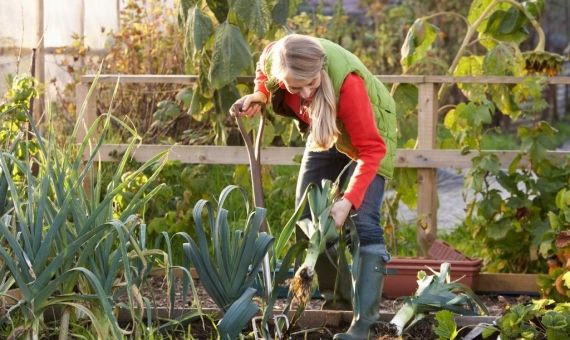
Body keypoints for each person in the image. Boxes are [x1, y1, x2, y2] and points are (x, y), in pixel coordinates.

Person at [231, 34, 396, 339]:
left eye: (311, 83)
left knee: (364, 221)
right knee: (308, 218)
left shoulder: (348, 86)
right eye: (295, 87)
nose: (305, 92)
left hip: (370, 132)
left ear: (320, 68)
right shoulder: (276, 57)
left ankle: (364, 325)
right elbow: (264, 72)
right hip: (324, 124)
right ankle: (340, 302)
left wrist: (347, 200)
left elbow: (371, 150)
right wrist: (259, 95)